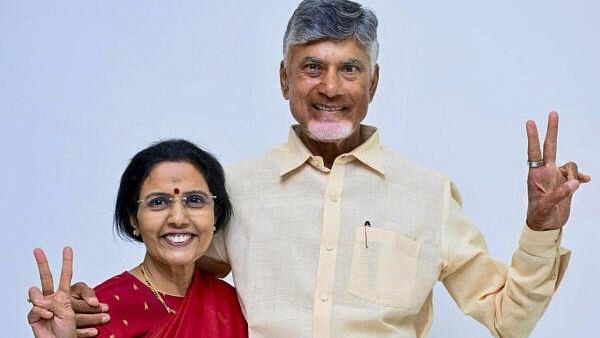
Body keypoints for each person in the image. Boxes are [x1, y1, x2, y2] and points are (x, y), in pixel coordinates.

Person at [69, 1, 591, 337]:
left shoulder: (427, 195)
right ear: (283, 79)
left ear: (374, 82)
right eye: (311, 67)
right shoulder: (234, 190)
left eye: (349, 69)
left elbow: (508, 319)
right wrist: (93, 312)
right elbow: (174, 287)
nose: (331, 88)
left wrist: (541, 230)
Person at [27, 140, 248, 338]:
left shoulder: (237, 307)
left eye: (195, 200)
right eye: (158, 202)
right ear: (134, 219)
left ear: (215, 215)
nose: (178, 218)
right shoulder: (97, 313)